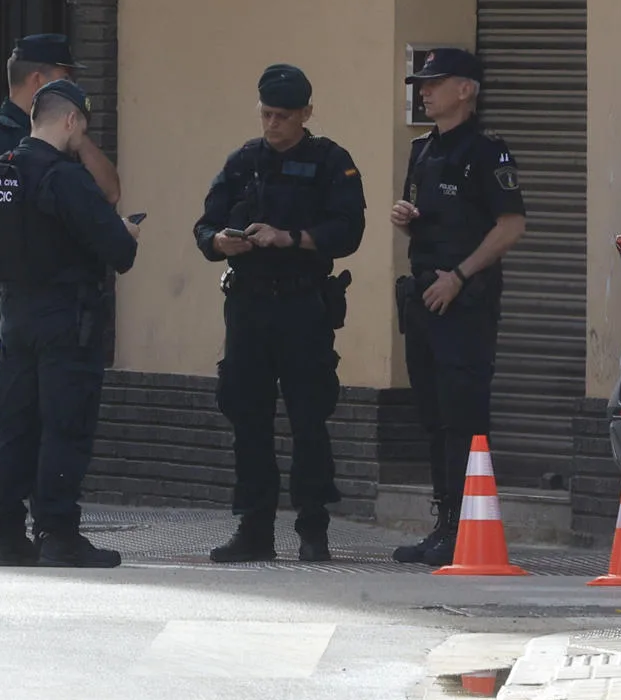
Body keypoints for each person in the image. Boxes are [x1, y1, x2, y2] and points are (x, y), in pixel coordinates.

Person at [0, 34, 121, 566]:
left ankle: (3, 532)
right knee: (62, 425)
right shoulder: (64, 178)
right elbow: (117, 248)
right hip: (61, 316)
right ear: (70, 121)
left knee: (14, 424)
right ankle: (57, 532)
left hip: (12, 313)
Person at [194, 64, 365, 563]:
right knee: (247, 415)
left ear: (306, 114)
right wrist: (221, 242)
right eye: (266, 114)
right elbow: (205, 226)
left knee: (309, 416)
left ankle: (313, 527)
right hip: (247, 303)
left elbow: (348, 231)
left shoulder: (331, 162)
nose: (272, 125)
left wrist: (289, 238)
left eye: (283, 116)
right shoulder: (244, 161)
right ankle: (255, 526)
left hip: (302, 303)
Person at [390, 47, 527, 565]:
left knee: (464, 416)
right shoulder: (422, 149)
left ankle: (467, 527)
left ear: (465, 89)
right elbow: (427, 216)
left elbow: (511, 226)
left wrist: (461, 276)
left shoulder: (487, 152)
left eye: (435, 83)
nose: (424, 91)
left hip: (464, 300)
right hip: (424, 295)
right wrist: (405, 217)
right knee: (433, 417)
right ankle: (443, 522)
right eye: (422, 84)